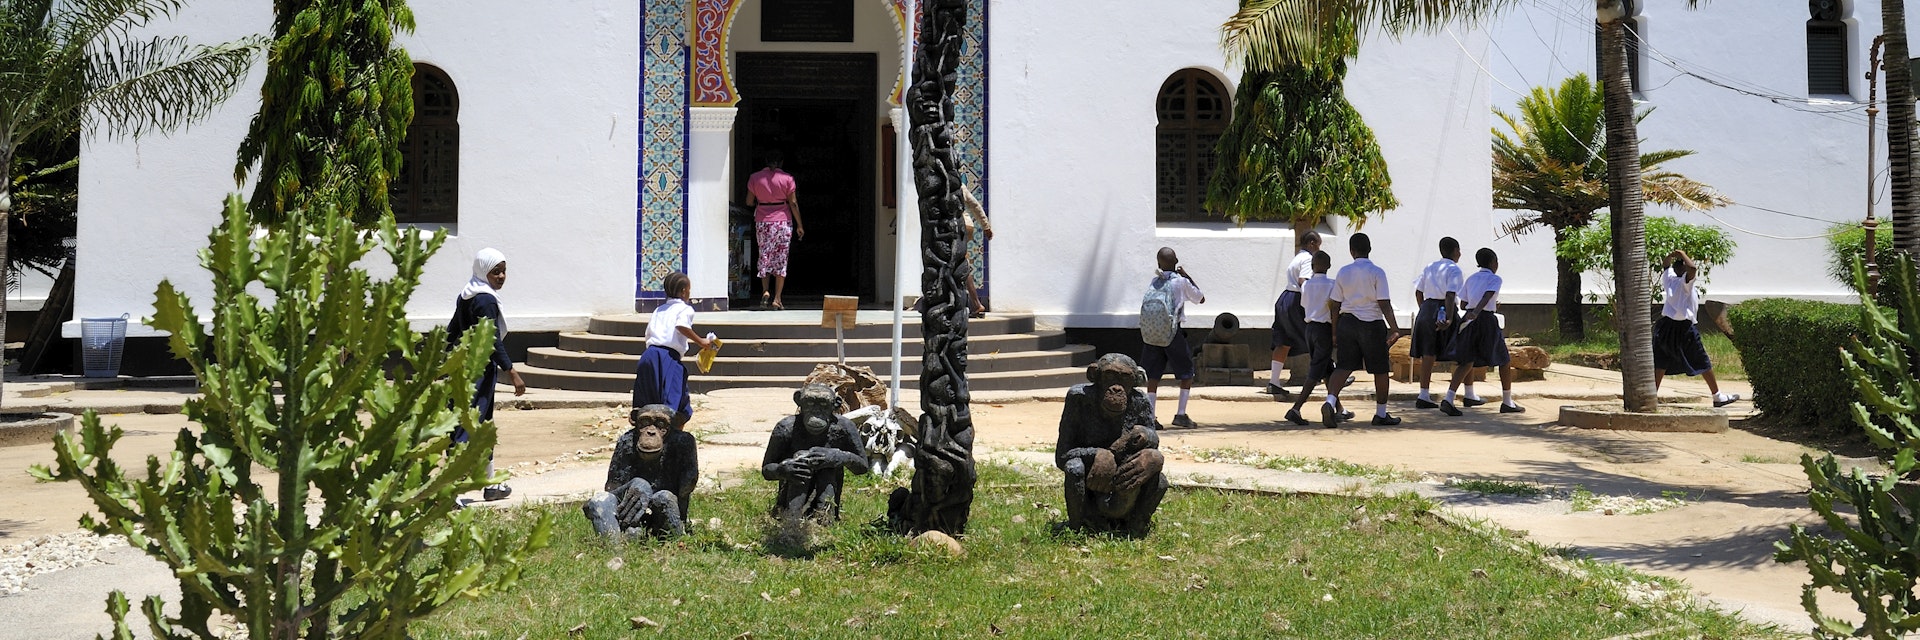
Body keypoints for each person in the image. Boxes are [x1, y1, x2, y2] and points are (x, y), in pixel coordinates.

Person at [448, 248, 527, 502]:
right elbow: (491, 339)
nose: (502, 276)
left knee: (480, 425)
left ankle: (490, 484)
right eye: (496, 272)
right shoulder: (485, 300)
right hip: (477, 370)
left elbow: (453, 331)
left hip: (464, 367)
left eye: (504, 271)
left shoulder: (468, 293)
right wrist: (512, 371)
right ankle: (452, 490)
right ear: (485, 272)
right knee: (468, 425)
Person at [1319, 233, 1404, 428]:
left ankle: (1330, 402)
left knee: (1343, 366)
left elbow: (1335, 305)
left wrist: (1334, 332)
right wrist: (1394, 328)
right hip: (1371, 324)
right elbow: (1384, 303)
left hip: (1347, 323)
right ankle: (1381, 414)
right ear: (1370, 249)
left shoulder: (1343, 272)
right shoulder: (1377, 272)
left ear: (1351, 251)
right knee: (1380, 370)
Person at [1438, 248, 1525, 415]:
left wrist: (1473, 310)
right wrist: (1479, 310)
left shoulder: (1471, 279)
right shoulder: (1495, 279)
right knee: (1504, 360)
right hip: (1485, 319)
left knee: (1467, 361)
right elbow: (1487, 295)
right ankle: (1507, 401)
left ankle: (1448, 398)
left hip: (1468, 320)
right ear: (1494, 262)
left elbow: (1463, 304)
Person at [1655, 250, 1741, 407]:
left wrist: (1671, 255)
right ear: (1682, 270)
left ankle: (1652, 395)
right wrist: (1681, 253)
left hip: (1667, 325)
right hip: (1684, 328)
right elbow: (1693, 268)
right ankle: (1717, 396)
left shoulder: (1669, 278)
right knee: (1701, 359)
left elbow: (1666, 264)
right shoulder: (1684, 282)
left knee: (1662, 360)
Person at [633, 272, 716, 430]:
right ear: (684, 291)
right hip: (668, 358)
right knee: (674, 405)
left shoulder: (659, 310)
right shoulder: (685, 309)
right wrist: (702, 342)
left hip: (648, 356)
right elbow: (681, 326)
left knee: (647, 404)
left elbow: (649, 333)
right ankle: (673, 440)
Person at [1140, 247, 1205, 429]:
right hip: (1172, 332)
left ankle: (1150, 417)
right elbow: (1200, 298)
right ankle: (1181, 415)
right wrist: (1187, 276)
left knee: (1153, 375)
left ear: (1158, 263)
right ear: (1176, 262)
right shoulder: (1180, 282)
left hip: (1153, 333)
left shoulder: (1154, 281)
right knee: (1187, 373)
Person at [1283, 251, 1346, 427]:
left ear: (1312, 267)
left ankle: (1339, 408)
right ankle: (1295, 408)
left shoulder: (1307, 286)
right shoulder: (1333, 285)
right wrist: (1335, 333)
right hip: (1324, 329)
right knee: (1316, 371)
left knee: (1326, 369)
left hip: (1309, 329)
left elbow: (1304, 305)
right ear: (1329, 266)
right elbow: (1334, 310)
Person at [746, 150, 804, 310]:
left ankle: (765, 291)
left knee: (764, 254)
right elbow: (793, 203)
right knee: (781, 259)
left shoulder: (755, 178)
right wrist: (800, 225)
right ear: (781, 162)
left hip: (763, 222)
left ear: (766, 161)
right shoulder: (787, 179)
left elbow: (749, 201)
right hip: (783, 221)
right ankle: (777, 298)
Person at [1411, 238, 1465, 409]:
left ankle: (1423, 394)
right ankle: (1463, 393)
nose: (1460, 254)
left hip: (1427, 308)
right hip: (1444, 308)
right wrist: (1448, 318)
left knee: (1428, 353)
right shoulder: (1454, 270)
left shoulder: (1430, 267)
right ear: (1455, 250)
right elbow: (1450, 295)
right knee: (1461, 352)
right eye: (1459, 250)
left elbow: (1418, 292)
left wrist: (1425, 310)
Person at [1268, 232, 1322, 399]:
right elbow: (1303, 281)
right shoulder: (1308, 259)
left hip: (1285, 299)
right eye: (1318, 245)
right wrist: (1311, 301)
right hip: (1297, 300)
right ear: (1312, 243)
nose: (1319, 249)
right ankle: (1331, 371)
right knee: (1315, 338)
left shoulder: (1297, 257)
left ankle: (1274, 382)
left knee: (1283, 342)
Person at [959, 183, 995, 318]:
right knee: (962, 262)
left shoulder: (944, 182)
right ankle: (975, 303)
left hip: (955, 226)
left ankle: (975, 303)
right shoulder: (960, 184)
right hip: (967, 224)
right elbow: (975, 205)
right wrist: (986, 226)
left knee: (958, 263)